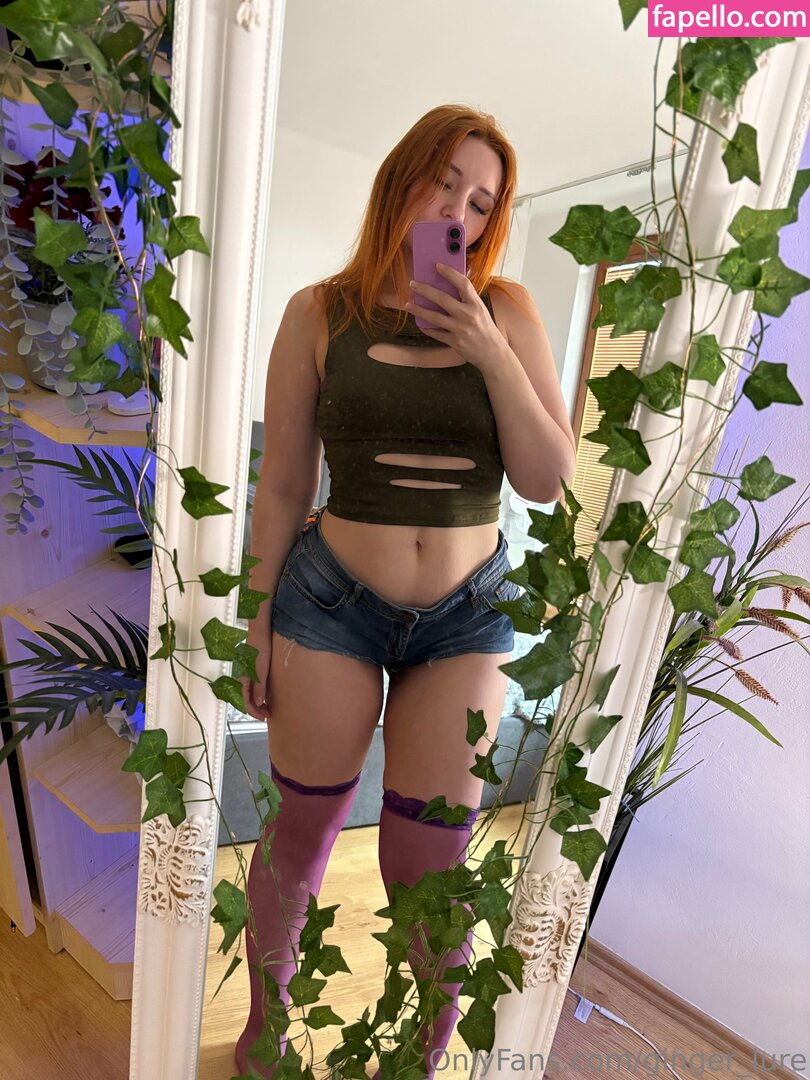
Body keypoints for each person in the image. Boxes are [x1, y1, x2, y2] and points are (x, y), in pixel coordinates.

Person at [234, 104, 577, 1079]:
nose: (459, 212)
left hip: (467, 621)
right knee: (302, 831)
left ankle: (421, 1058)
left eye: (483, 202)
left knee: (427, 862)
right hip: (330, 604)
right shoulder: (317, 313)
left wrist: (489, 348)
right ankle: (267, 1027)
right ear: (402, 177)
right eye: (444, 182)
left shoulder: (509, 310)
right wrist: (254, 618)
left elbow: (546, 479)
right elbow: (284, 486)